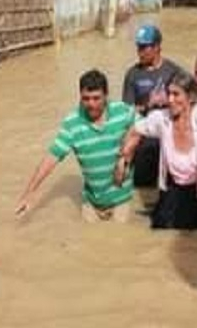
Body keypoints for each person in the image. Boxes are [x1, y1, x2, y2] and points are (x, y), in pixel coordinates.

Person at [116, 71, 197, 231]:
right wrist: (123, 159)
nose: (170, 100)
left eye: (176, 94)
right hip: (176, 189)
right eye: (168, 93)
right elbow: (136, 130)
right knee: (162, 233)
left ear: (190, 97)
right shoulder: (162, 118)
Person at [17, 70, 137, 222]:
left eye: (96, 98)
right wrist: (29, 193)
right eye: (86, 99)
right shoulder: (72, 122)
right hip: (91, 203)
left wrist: (124, 156)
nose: (91, 104)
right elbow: (52, 157)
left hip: (121, 200)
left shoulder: (122, 111)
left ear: (106, 96)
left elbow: (143, 126)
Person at [122, 24, 185, 193]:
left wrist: (168, 102)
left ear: (157, 47)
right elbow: (126, 113)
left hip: (168, 137)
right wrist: (147, 104)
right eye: (138, 47)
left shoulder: (174, 71)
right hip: (143, 139)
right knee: (143, 189)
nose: (140, 51)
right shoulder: (132, 75)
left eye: (144, 47)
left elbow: (189, 102)